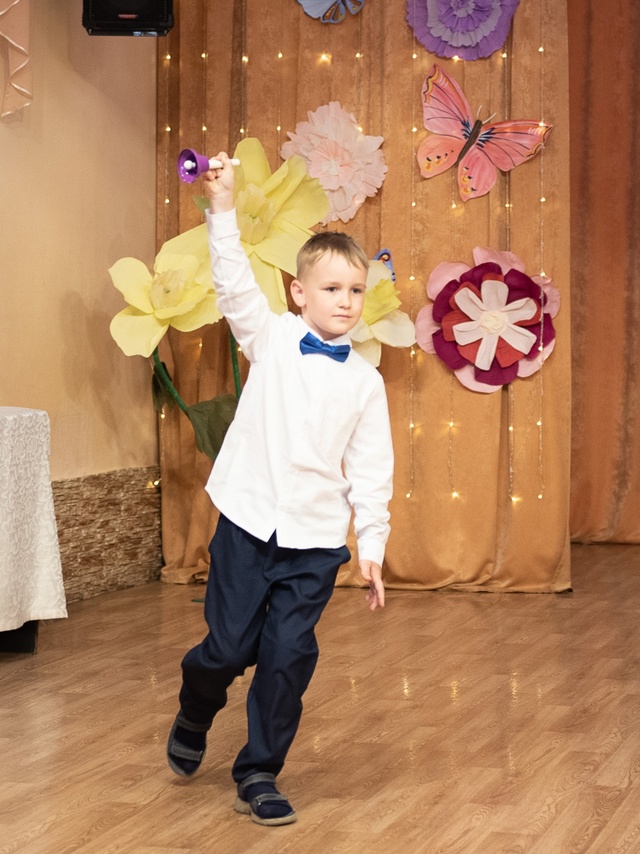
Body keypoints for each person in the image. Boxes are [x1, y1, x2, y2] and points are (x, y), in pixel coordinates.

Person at [164, 152, 393, 825]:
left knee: (288, 655)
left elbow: (371, 470)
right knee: (228, 649)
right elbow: (234, 282)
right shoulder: (270, 338)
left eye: (356, 291)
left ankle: (259, 770)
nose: (345, 301)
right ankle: (196, 705)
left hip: (314, 544)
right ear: (299, 293)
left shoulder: (366, 383)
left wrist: (372, 546)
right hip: (247, 525)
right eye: (332, 288)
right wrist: (222, 209)